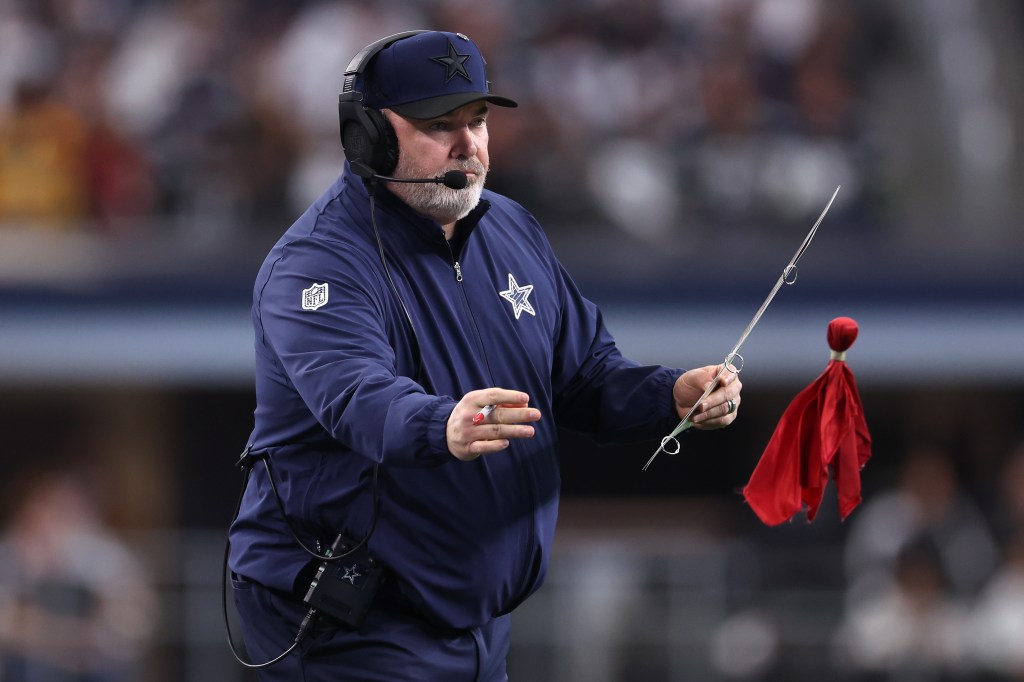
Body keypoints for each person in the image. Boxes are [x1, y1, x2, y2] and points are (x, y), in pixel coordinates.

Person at [227, 30, 742, 681]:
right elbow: (356, 398)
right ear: (368, 137)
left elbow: (583, 376)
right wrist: (440, 424)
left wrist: (671, 395)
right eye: (439, 125)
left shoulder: (511, 228)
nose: (468, 145)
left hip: (475, 625)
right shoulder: (317, 264)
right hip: (352, 628)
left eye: (477, 120)